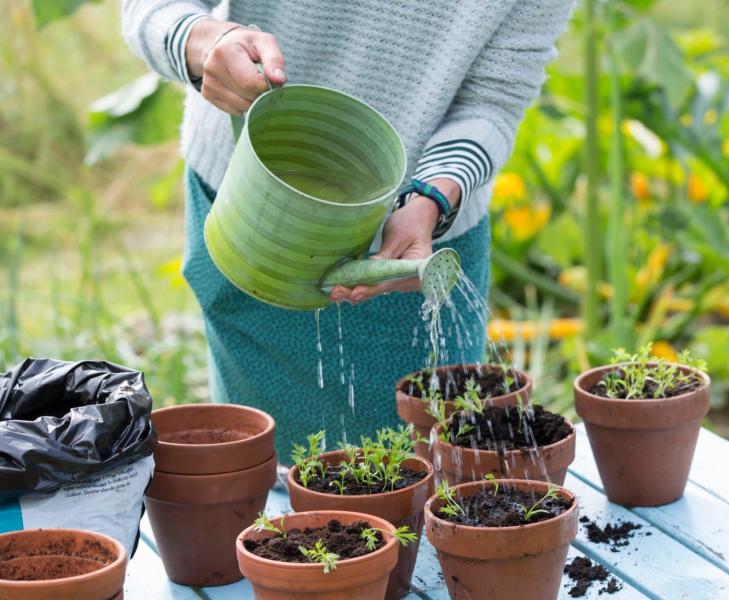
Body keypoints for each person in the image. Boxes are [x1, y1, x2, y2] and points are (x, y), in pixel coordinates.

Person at [121, 1, 574, 456]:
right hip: (255, 213)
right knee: (267, 481)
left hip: (416, 240)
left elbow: (493, 98)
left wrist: (432, 198)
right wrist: (202, 41)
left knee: (438, 473)